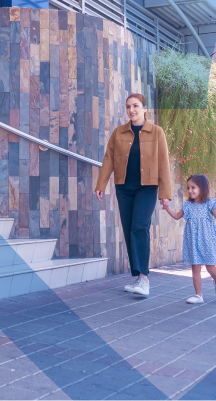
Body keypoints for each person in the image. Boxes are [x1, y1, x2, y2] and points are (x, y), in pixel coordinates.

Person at [95, 93, 171, 297]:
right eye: (128, 106)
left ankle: (144, 279)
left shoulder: (156, 132)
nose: (132, 110)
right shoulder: (119, 132)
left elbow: (164, 163)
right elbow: (109, 158)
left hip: (147, 188)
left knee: (139, 227)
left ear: (144, 109)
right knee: (129, 229)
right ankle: (138, 277)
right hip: (124, 188)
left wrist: (165, 194)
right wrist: (101, 184)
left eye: (136, 106)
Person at [163, 174, 216, 304]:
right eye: (188, 188)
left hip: (207, 241)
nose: (190, 191)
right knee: (195, 268)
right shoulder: (187, 206)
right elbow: (177, 216)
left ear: (202, 188)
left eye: (193, 187)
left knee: (211, 268)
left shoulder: (210, 204)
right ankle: (199, 295)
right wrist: (167, 208)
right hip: (193, 241)